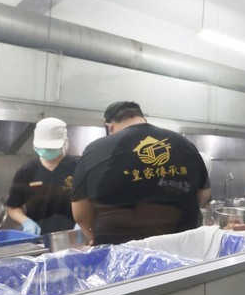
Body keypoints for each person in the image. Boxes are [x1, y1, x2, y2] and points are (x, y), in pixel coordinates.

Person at [71, 101, 211, 245]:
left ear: (109, 126)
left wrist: (95, 237)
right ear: (142, 118)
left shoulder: (95, 150)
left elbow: (80, 213)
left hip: (119, 253)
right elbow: (204, 195)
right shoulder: (184, 143)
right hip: (184, 250)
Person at [6, 117, 78, 235]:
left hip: (74, 236)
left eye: (51, 148)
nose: (46, 151)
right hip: (38, 238)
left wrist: (83, 224)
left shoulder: (79, 167)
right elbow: (13, 207)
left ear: (64, 143)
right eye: (44, 147)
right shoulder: (26, 171)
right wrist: (26, 222)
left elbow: (92, 202)